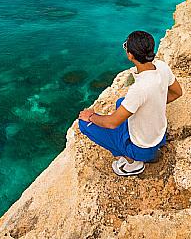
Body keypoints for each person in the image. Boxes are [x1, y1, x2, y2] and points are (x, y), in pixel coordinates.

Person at [78, 30, 183, 176]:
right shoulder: (162, 67)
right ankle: (147, 152)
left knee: (84, 125)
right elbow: (178, 92)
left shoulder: (139, 88)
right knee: (121, 102)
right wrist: (154, 103)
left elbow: (112, 123)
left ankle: (133, 163)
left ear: (130, 55)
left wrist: (90, 116)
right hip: (159, 135)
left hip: (141, 147)